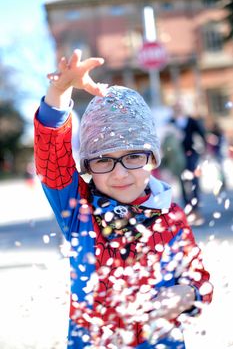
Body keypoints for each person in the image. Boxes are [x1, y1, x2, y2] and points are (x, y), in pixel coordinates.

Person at [34, 49, 213, 348]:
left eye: (132, 156)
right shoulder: (80, 210)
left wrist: (184, 295)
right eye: (104, 160)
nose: (119, 174)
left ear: (153, 158)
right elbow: (51, 157)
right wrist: (59, 92)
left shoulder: (171, 216)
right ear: (89, 166)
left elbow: (200, 282)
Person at [170, 102, 207, 226]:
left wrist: (204, 150)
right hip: (177, 157)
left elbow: (202, 134)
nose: (178, 110)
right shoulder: (170, 122)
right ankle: (188, 209)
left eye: (179, 107)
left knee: (194, 181)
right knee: (182, 182)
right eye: (176, 108)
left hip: (192, 154)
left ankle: (196, 208)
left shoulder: (191, 120)